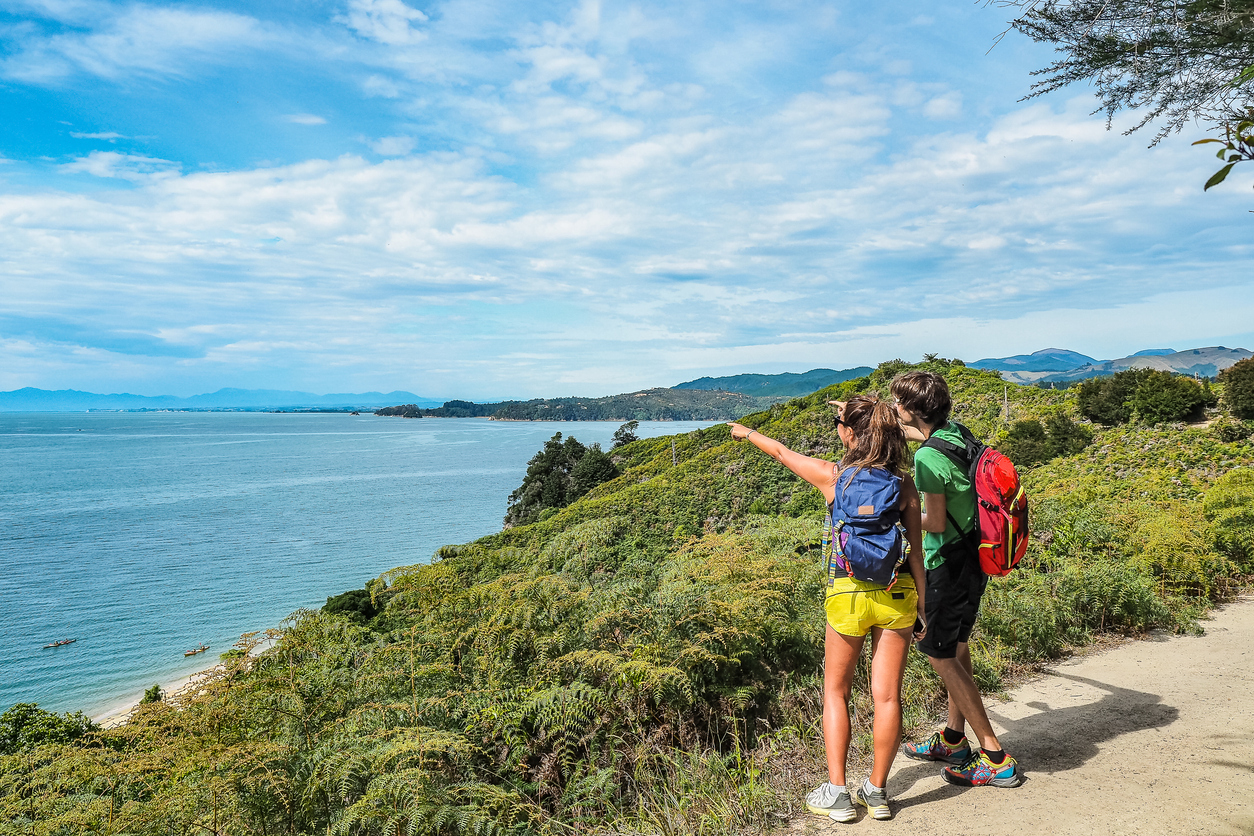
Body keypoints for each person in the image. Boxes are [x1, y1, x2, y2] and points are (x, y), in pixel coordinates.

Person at [728, 395, 925, 821]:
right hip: (897, 593)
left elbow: (781, 451)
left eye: (841, 423)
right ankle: (877, 792)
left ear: (849, 434)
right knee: (887, 697)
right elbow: (917, 551)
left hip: (847, 594)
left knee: (836, 693)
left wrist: (746, 433)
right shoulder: (904, 484)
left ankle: (837, 794)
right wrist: (923, 605)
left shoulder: (834, 477)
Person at [890, 370, 1022, 788]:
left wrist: (896, 514)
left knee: (939, 654)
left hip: (945, 563)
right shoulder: (954, 433)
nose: (895, 409)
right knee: (956, 646)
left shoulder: (927, 459)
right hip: (973, 559)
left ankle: (995, 756)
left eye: (898, 403)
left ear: (912, 410)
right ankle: (952, 738)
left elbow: (933, 519)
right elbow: (927, 444)